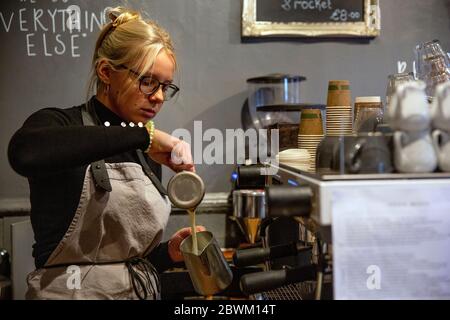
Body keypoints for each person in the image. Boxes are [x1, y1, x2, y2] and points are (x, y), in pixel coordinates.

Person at [8, 7, 204, 300]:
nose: (159, 97)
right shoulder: (60, 125)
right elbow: (24, 153)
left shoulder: (144, 152)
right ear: (106, 72)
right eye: (148, 81)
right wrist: (145, 135)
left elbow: (118, 264)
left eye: (165, 86)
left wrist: (166, 254)